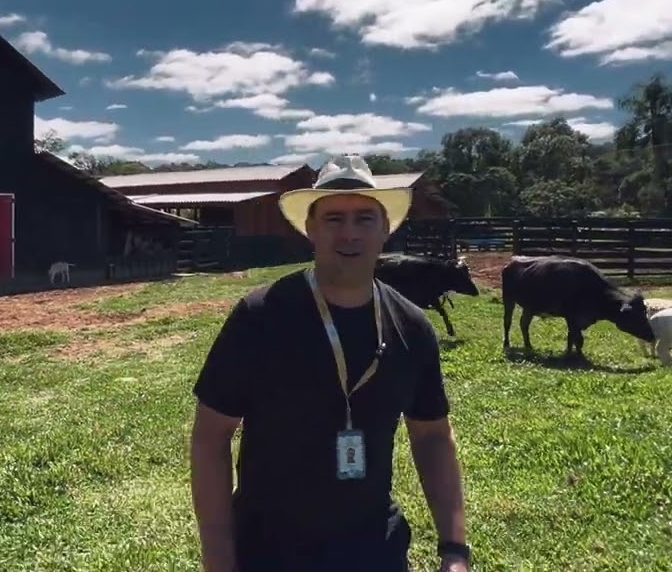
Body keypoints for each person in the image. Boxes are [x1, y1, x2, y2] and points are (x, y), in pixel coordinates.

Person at [189, 153, 472, 572]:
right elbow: (210, 438)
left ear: (385, 228)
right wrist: (218, 556)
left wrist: (455, 549)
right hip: (268, 552)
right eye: (333, 219)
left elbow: (432, 436)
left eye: (364, 218)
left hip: (374, 551)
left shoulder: (411, 327)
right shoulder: (261, 316)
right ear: (311, 229)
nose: (349, 233)